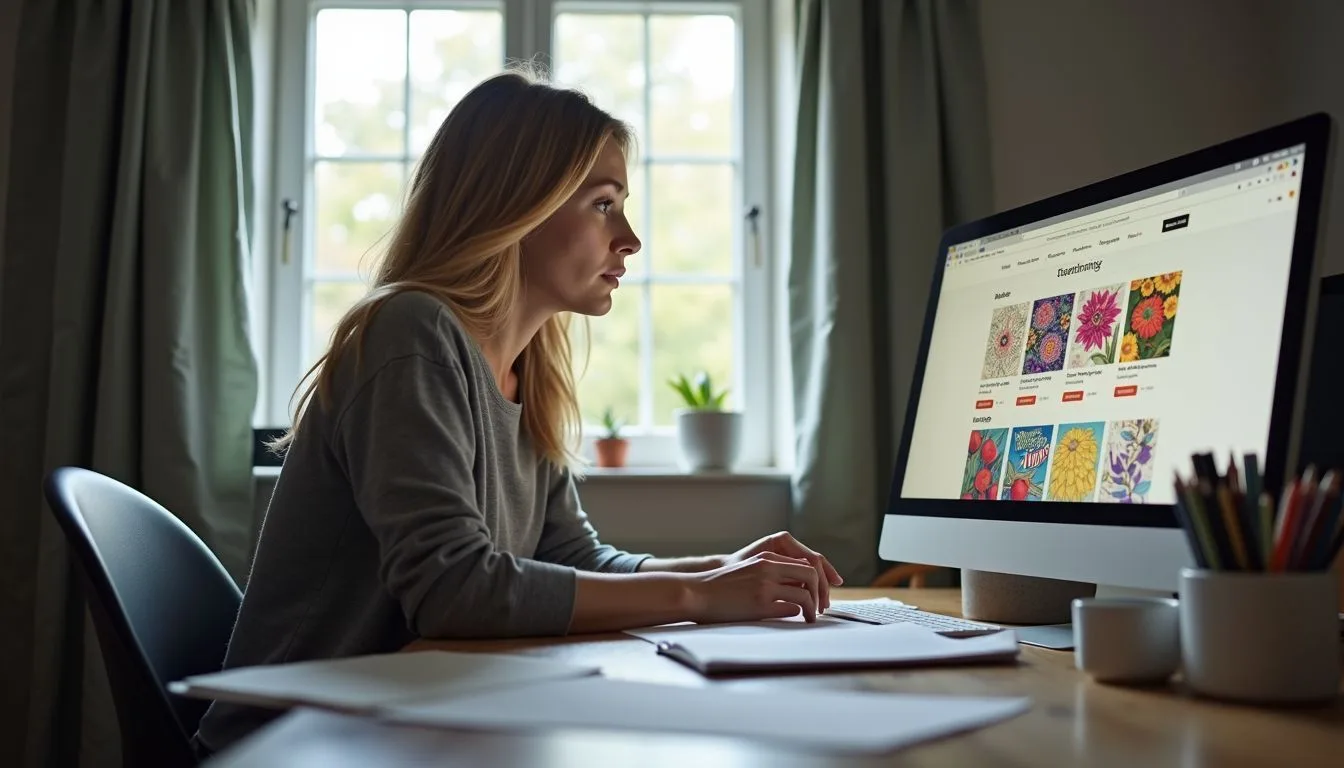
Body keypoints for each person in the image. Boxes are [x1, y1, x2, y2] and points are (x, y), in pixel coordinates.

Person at [193, 67, 843, 756]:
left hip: (403, 726)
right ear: (518, 207)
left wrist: (717, 570)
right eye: (602, 203)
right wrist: (696, 599)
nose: (629, 237)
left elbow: (571, 556)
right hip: (294, 745)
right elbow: (454, 589)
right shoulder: (410, 333)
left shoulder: (526, 367)